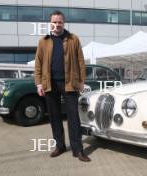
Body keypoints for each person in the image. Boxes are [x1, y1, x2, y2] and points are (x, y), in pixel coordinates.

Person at [34, 10, 91, 162]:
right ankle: (60, 146)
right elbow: (38, 64)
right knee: (54, 117)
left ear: (63, 23)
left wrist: (81, 82)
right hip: (50, 84)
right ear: (50, 23)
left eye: (60, 22)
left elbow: (81, 62)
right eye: (54, 22)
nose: (57, 24)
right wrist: (39, 83)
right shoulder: (43, 41)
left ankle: (78, 150)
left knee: (73, 118)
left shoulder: (73, 39)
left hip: (70, 84)